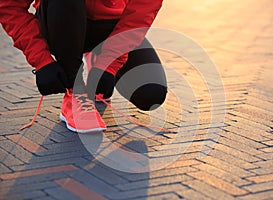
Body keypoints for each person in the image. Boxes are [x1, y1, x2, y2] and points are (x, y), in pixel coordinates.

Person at [0, 0, 168, 133]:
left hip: (111, 27)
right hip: (59, 21)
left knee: (150, 93)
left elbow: (141, 13)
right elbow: (9, 6)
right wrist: (41, 59)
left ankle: (97, 56)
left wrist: (109, 63)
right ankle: (74, 91)